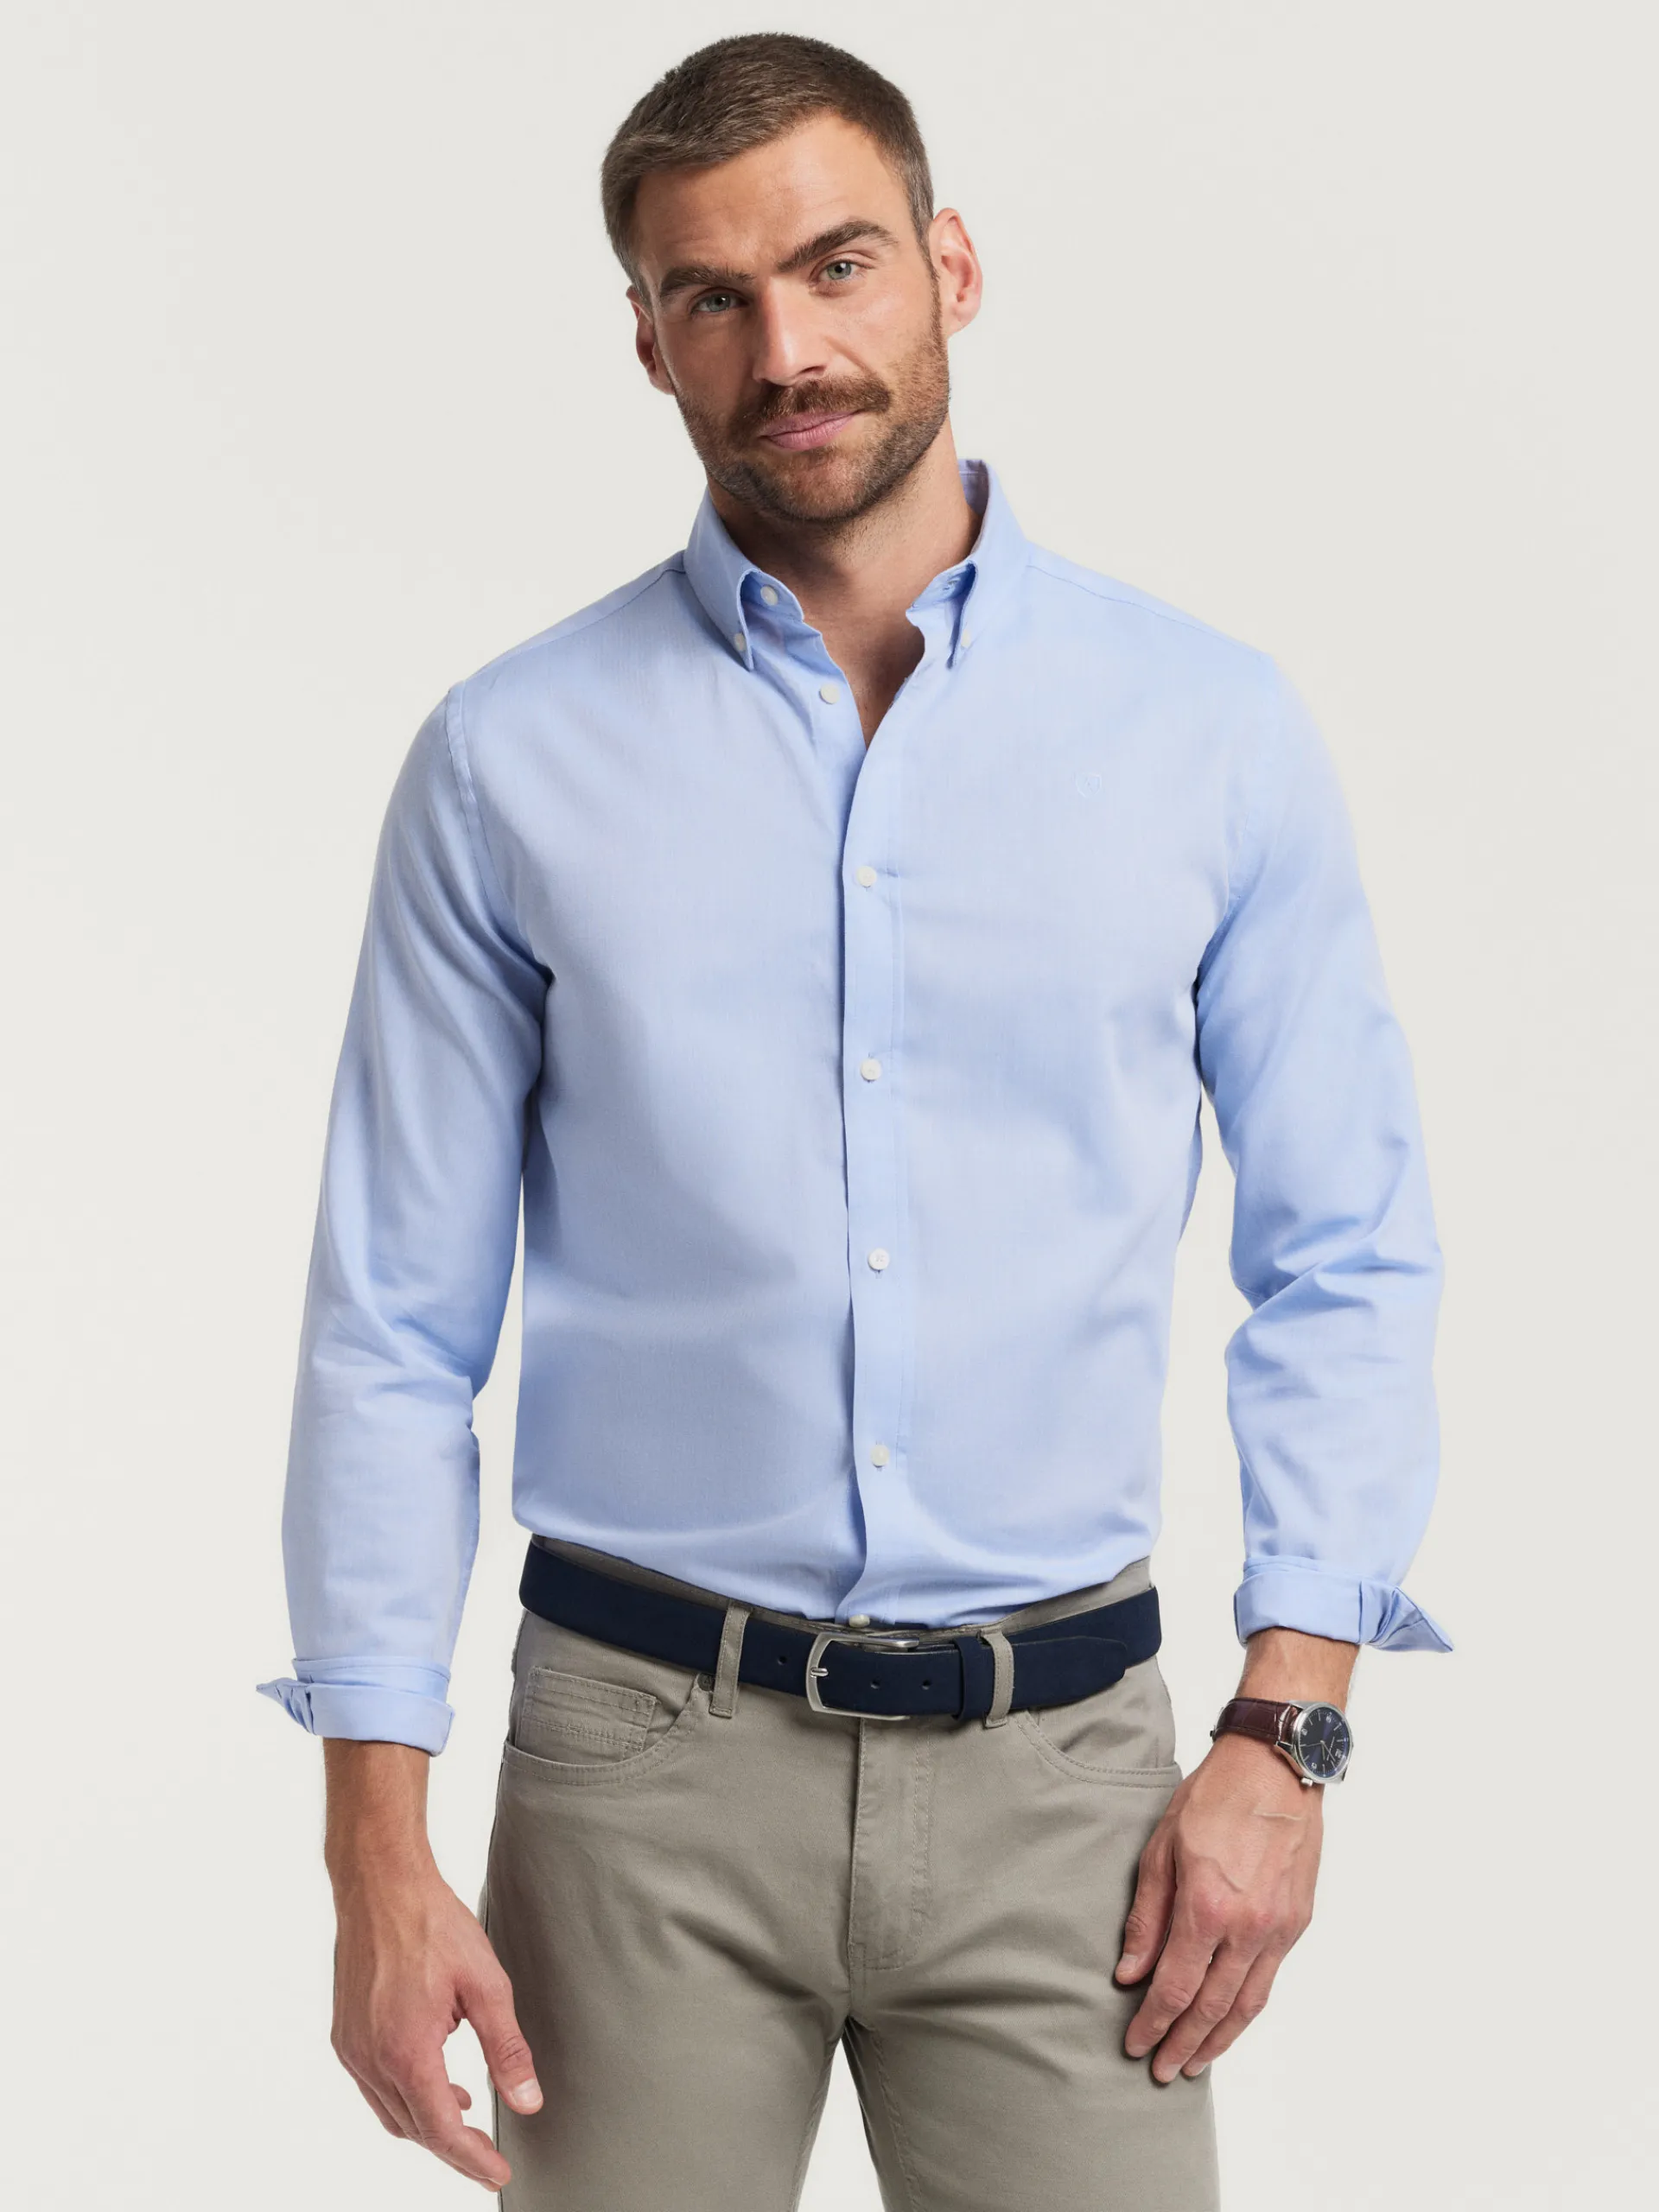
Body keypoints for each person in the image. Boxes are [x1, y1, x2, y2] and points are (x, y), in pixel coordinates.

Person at [257, 32, 1449, 2209]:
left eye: (836, 265)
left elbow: (1346, 1250)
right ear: (646, 340)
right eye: (710, 296)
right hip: (638, 1777)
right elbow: (392, 1331)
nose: (786, 350)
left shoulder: (1209, 735)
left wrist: (1287, 1731)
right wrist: (376, 1850)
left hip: (1070, 1786)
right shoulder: (510, 760)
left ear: (951, 265)